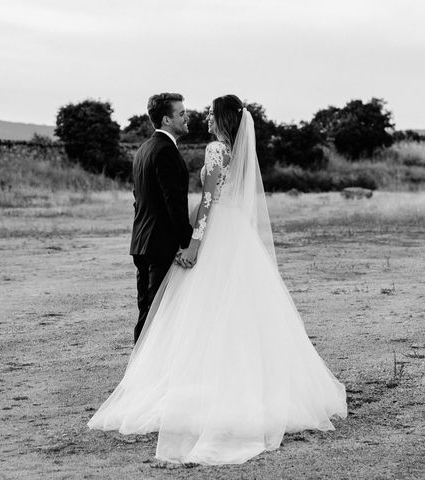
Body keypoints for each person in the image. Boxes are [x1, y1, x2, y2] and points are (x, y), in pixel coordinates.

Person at [89, 95, 347, 465]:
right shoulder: (229, 152)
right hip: (235, 233)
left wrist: (193, 244)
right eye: (196, 112)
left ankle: (198, 388)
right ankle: (250, 386)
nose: (203, 117)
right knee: (238, 312)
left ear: (223, 119)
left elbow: (208, 201)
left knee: (200, 312)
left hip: (213, 234)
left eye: (210, 113)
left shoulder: (215, 150)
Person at [129, 93, 194, 343]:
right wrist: (187, 243)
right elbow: (173, 203)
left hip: (142, 243)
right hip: (161, 246)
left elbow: (138, 200)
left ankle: (139, 370)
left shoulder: (143, 149)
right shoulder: (166, 151)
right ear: (166, 119)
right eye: (181, 113)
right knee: (159, 315)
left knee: (147, 312)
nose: (187, 117)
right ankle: (144, 377)